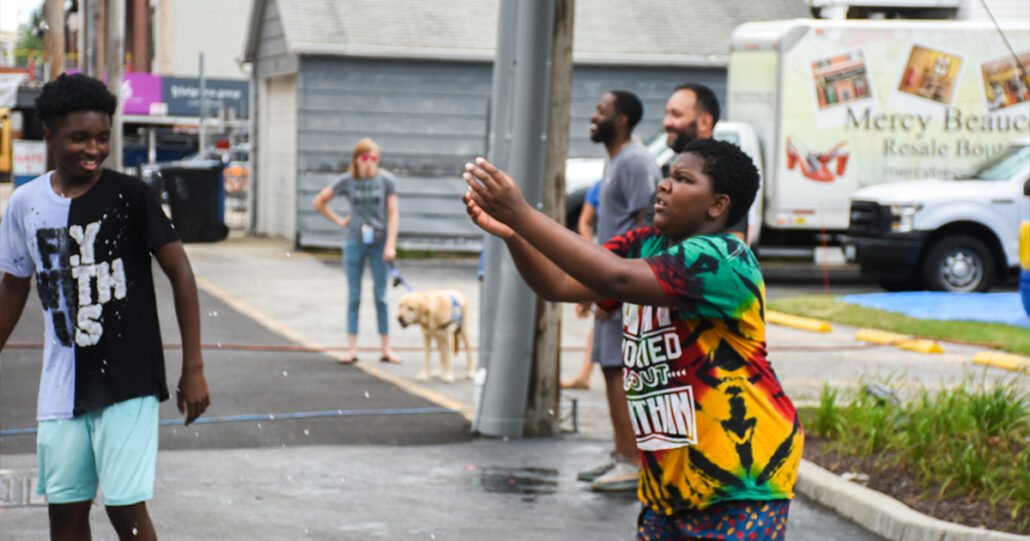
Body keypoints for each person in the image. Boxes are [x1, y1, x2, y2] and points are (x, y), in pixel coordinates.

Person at [462, 138, 802, 540]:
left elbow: (614, 277)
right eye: (666, 175)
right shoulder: (645, 244)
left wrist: (522, 213)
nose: (663, 185)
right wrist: (514, 234)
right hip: (668, 484)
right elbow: (556, 284)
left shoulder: (724, 259)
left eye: (682, 179)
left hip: (741, 479)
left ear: (717, 205)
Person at [0, 73, 210, 541]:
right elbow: (14, 285)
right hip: (60, 388)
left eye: (102, 137)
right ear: (49, 136)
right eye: (79, 138)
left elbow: (182, 274)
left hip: (128, 382)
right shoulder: (25, 204)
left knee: (125, 510)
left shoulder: (131, 196)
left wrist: (192, 367)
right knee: (65, 514)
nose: (93, 149)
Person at [578, 90, 662, 492]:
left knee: (622, 369)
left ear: (623, 120)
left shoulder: (636, 161)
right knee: (611, 365)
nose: (594, 117)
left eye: (601, 111)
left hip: (625, 283)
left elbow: (645, 224)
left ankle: (633, 461)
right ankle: (620, 452)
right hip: (610, 280)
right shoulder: (615, 160)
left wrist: (614, 287)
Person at [313, 138, 402, 364]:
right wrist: (340, 221)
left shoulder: (386, 181)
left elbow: (393, 214)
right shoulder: (347, 181)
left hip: (380, 243)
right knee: (354, 296)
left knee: (381, 297)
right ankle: (352, 349)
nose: (370, 163)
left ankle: (386, 348)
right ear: (356, 159)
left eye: (374, 158)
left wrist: (391, 245)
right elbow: (319, 201)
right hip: (355, 241)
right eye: (365, 158)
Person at [663, 83, 756, 245]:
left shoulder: (725, 175)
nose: (667, 122)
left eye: (676, 115)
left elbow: (732, 250)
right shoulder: (665, 171)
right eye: (667, 114)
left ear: (705, 122)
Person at [560, 180, 601, 390]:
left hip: (620, 260)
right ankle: (584, 375)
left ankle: (585, 375)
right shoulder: (598, 187)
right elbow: (585, 221)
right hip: (606, 257)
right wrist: (594, 250)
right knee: (600, 321)